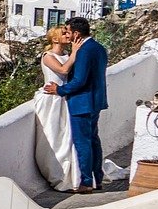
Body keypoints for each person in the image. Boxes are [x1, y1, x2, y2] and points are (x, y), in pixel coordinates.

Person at [44, 17, 108, 194]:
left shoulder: (83, 51)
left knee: (83, 142)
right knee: (94, 139)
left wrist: (60, 90)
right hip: (96, 100)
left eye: (68, 31)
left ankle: (87, 182)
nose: (67, 33)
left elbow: (79, 80)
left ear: (77, 33)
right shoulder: (98, 48)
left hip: (81, 102)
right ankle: (98, 177)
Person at [34, 26, 81, 192]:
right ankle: (56, 173)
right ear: (54, 39)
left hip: (64, 98)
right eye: (63, 33)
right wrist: (75, 52)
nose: (67, 35)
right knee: (53, 136)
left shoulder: (66, 56)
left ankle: (70, 174)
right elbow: (63, 70)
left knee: (66, 138)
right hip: (51, 100)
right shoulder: (48, 56)